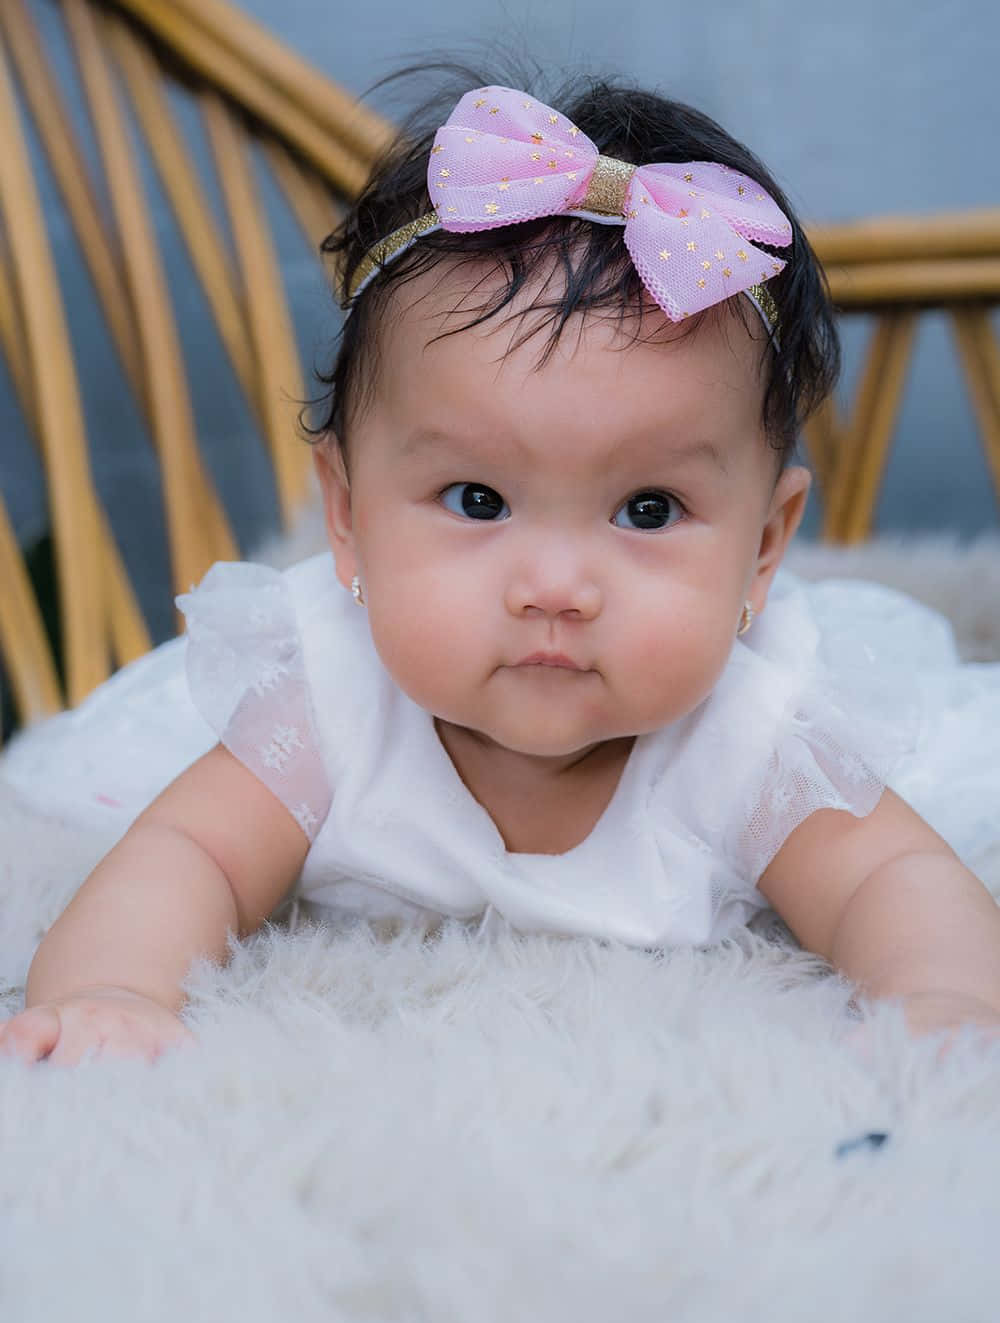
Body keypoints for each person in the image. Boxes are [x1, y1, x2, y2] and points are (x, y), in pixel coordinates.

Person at [2, 75, 1000, 1068]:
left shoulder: (750, 732)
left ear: (763, 550)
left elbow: (892, 880)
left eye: (647, 511)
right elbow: (189, 857)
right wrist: (113, 991)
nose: (555, 586)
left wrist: (943, 1000)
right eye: (478, 500)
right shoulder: (330, 698)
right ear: (345, 517)